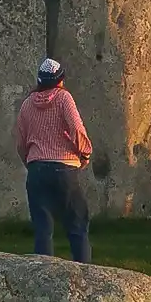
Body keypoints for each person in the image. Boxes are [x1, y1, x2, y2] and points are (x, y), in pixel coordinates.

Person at [15, 58, 94, 263]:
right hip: (64, 169)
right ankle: (85, 277)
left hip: (36, 170)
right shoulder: (63, 98)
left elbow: (21, 144)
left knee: (43, 230)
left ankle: (43, 279)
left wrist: (31, 163)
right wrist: (84, 153)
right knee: (77, 227)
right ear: (61, 80)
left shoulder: (26, 105)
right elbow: (76, 129)